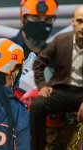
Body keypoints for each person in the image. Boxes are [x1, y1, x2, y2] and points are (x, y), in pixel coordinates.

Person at [31, 5, 83, 150]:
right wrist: (42, 86)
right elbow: (39, 64)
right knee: (37, 106)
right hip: (61, 91)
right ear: (73, 22)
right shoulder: (60, 41)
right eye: (79, 21)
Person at [10, 0, 58, 91]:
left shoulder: (56, 55)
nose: (41, 23)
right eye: (35, 18)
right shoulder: (7, 49)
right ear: (23, 19)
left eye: (47, 19)